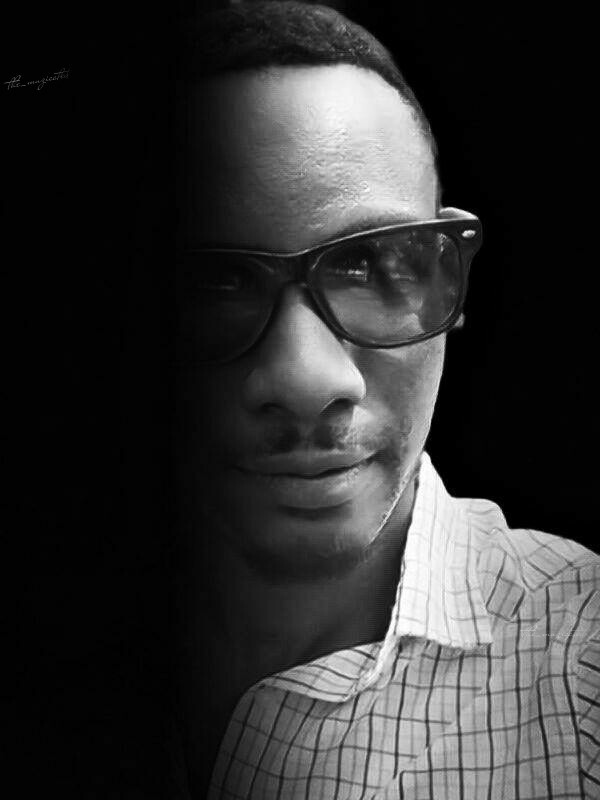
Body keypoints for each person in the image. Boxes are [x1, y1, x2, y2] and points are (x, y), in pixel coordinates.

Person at [171, 2, 600, 797]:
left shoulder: (582, 670)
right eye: (213, 280)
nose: (308, 381)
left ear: (451, 275)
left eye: (373, 264)